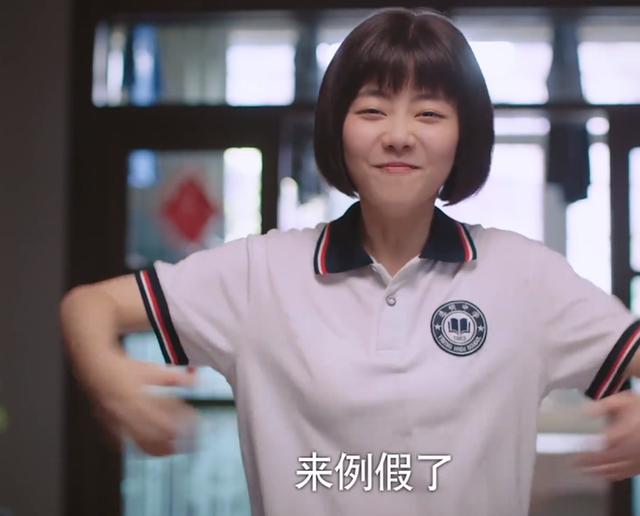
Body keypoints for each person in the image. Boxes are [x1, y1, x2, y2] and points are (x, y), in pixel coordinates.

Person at [60, 7, 640, 516]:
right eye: (373, 110)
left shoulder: (524, 277)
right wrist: (107, 378)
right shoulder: (260, 273)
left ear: (463, 136)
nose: (399, 135)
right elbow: (90, 306)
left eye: (429, 114)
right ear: (337, 128)